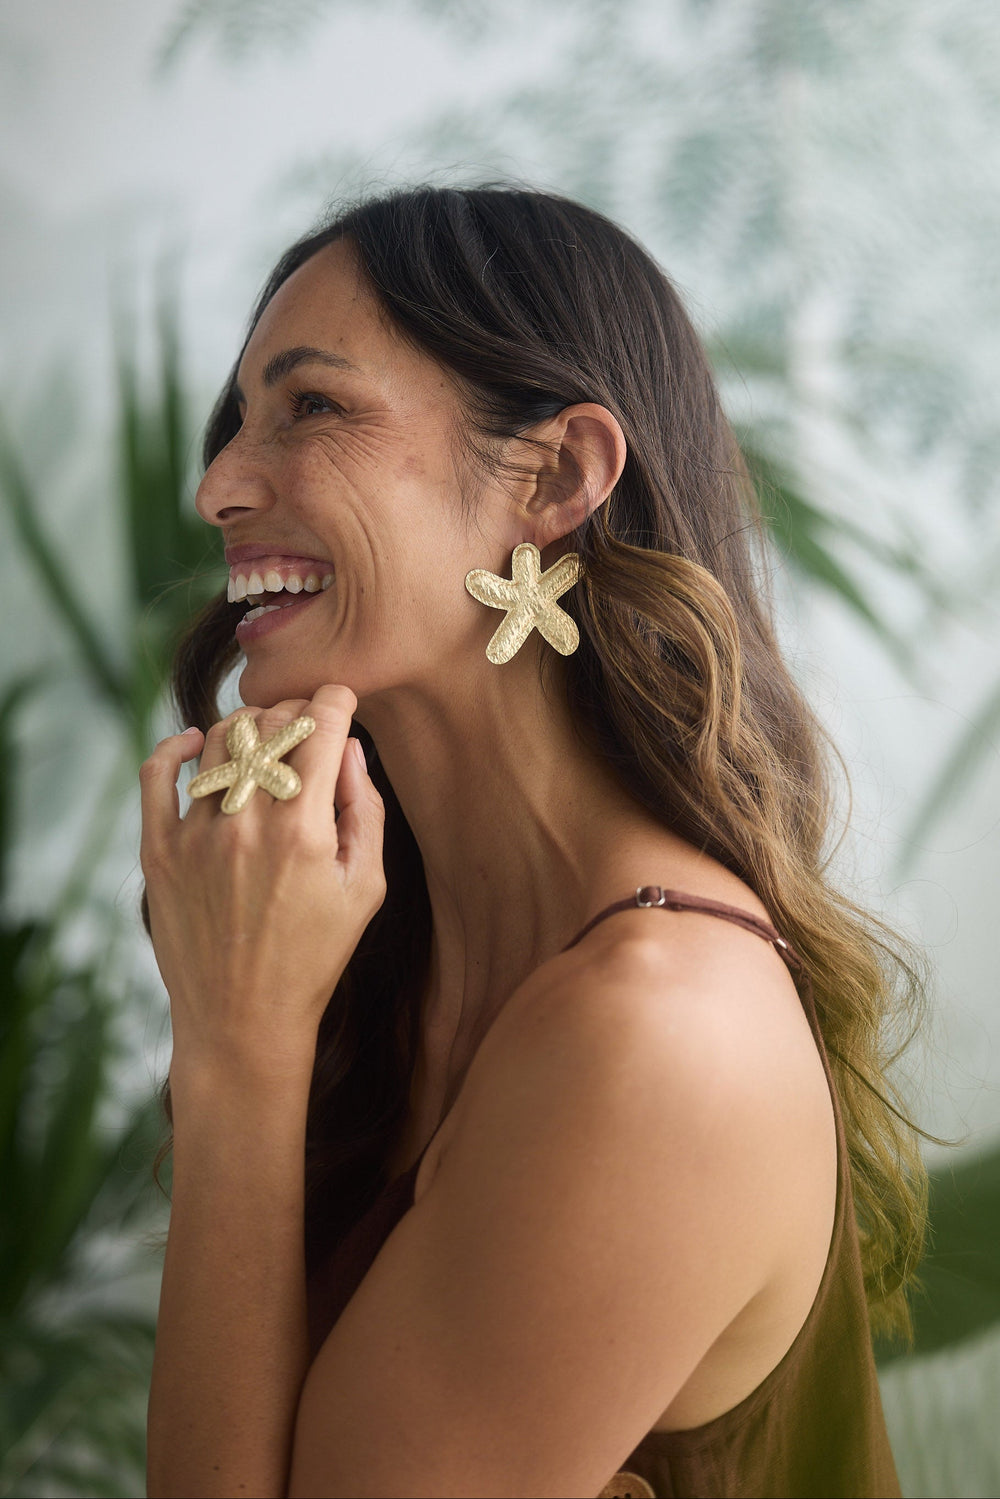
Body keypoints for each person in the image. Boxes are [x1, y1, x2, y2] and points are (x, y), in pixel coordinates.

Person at [140, 185, 930, 1498]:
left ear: (556, 477)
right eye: (237, 427)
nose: (220, 487)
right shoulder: (380, 957)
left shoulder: (660, 1039)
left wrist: (237, 1050)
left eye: (312, 406)